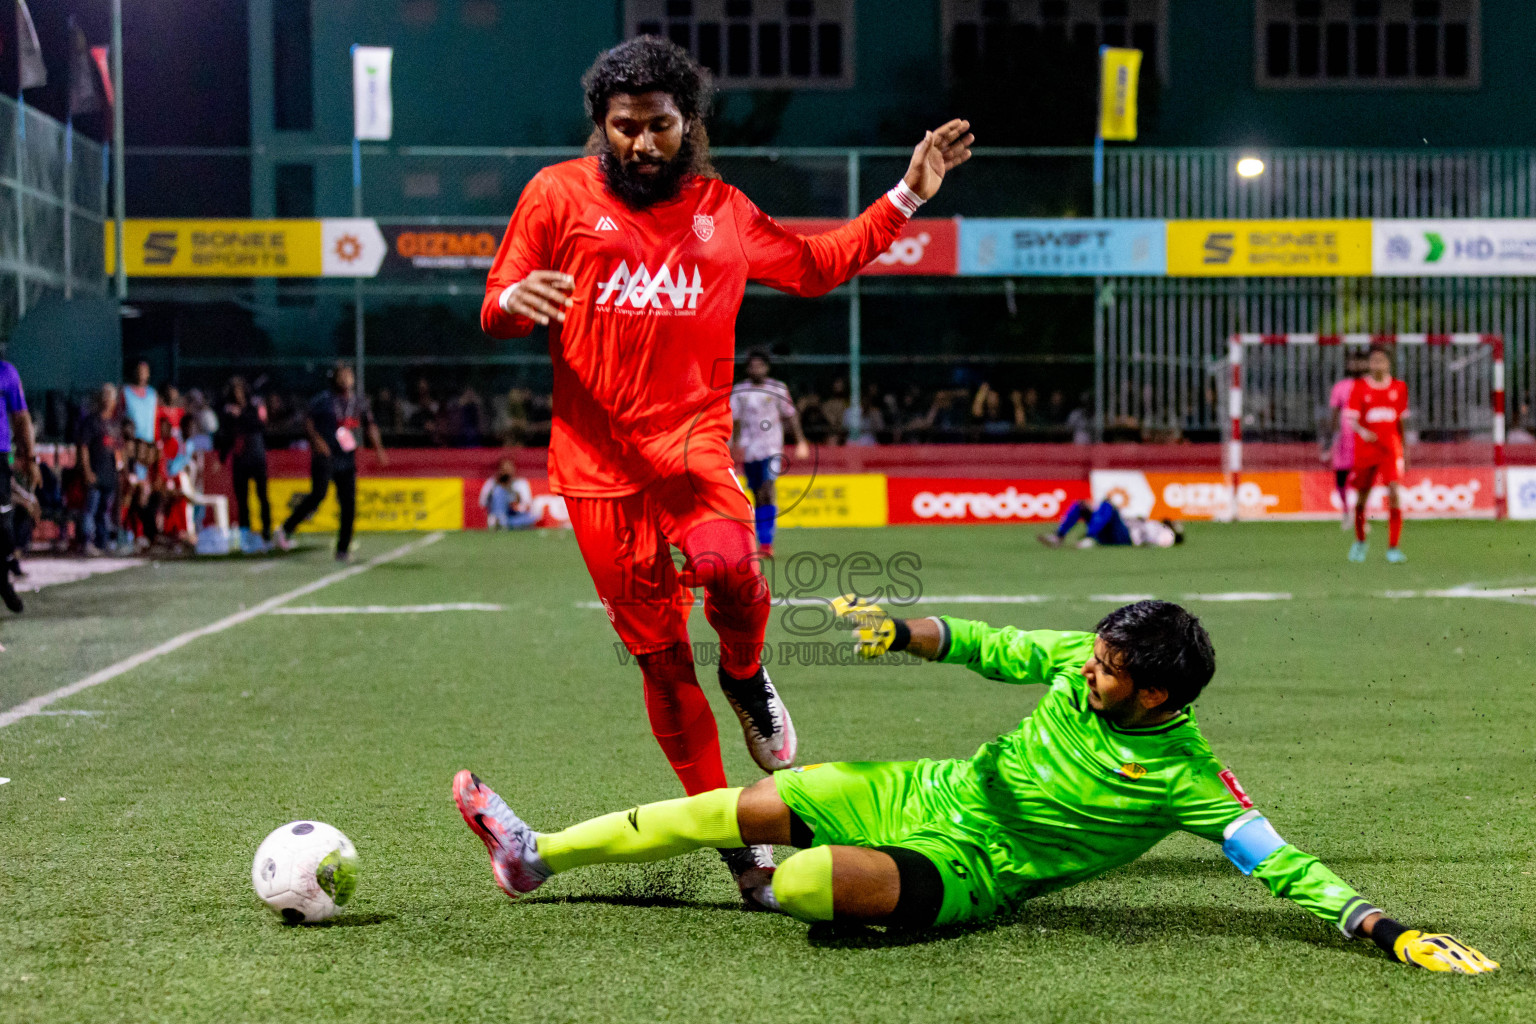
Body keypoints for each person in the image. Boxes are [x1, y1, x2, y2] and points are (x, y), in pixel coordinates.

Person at [479, 35, 973, 901]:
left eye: (660, 126)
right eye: (626, 127)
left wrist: (905, 196)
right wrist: (513, 303)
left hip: (694, 450)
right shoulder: (554, 195)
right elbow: (499, 304)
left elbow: (819, 267)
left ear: (688, 124)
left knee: (735, 573)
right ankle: (742, 846)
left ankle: (746, 674)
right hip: (596, 474)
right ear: (601, 126)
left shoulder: (724, 210)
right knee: (662, 661)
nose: (642, 143)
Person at [449, 597, 1496, 975]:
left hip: (974, 864)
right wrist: (905, 630)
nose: (1086, 670)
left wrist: (1383, 926)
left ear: (1158, 691)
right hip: (920, 790)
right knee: (743, 807)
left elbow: (1277, 861)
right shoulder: (1079, 665)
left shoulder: (1188, 779)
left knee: (807, 882)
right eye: (1089, 655)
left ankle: (791, 886)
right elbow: (990, 642)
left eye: (1107, 668)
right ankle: (535, 857)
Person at [273, 363, 388, 561]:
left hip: (346, 457)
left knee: (348, 503)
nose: (346, 379)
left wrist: (379, 450)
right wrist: (317, 441)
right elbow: (307, 421)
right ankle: (285, 529)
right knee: (318, 494)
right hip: (325, 456)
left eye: (349, 375)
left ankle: (343, 549)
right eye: (342, 375)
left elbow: (371, 426)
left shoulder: (358, 402)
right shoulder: (323, 400)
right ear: (334, 378)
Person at [730, 350, 810, 559]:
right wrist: (735, 444)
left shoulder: (778, 388)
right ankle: (761, 541)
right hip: (749, 448)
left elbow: (790, 416)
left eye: (760, 365)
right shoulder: (740, 390)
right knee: (757, 493)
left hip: (772, 448)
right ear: (748, 369)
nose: (756, 369)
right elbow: (735, 420)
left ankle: (767, 544)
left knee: (768, 488)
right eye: (753, 366)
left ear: (767, 367)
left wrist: (801, 441)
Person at [1347, 346, 1409, 564]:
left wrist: (1405, 450)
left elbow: (1401, 422)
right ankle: (1360, 541)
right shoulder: (1359, 387)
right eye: (1373, 361)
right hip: (1366, 450)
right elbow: (1352, 420)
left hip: (1390, 450)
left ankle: (1393, 547)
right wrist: (1365, 433)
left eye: (1381, 361)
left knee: (1394, 493)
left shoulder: (1399, 388)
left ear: (1388, 364)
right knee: (1362, 499)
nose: (1377, 365)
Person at [0, 357, 38, 612]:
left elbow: (21, 417)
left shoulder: (6, 372)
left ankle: (2, 579)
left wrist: (30, 457)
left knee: (3, 528)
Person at [218, 377, 272, 553]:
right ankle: (245, 536)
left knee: (262, 497)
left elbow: (260, 424)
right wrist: (222, 457)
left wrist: (241, 414)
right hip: (240, 459)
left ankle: (267, 534)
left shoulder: (254, 405)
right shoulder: (228, 411)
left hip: (257, 456)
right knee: (242, 500)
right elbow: (227, 435)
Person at [78, 384, 123, 556]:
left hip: (109, 475)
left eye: (110, 397)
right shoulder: (92, 421)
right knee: (91, 509)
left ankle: (103, 543)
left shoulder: (114, 423)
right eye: (105, 396)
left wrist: (120, 470)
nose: (108, 401)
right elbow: (83, 447)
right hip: (95, 472)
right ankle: (87, 541)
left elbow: (118, 449)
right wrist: (87, 470)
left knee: (105, 511)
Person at [1325, 354, 1367, 530]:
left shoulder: (1368, 386)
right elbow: (1334, 414)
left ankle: (1361, 516)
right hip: (1344, 439)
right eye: (1353, 361)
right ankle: (1345, 512)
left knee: (1364, 480)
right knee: (1341, 478)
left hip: (1363, 438)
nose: (1356, 364)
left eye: (1359, 360)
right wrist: (1330, 439)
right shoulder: (1340, 387)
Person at [1038, 499, 1182, 549]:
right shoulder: (1153, 522)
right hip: (1116, 532)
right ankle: (1058, 536)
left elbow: (1163, 541)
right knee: (1081, 505)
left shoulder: (1166, 532)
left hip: (1126, 537)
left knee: (1109, 506)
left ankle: (1090, 537)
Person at [479, 458, 539, 529]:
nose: (507, 472)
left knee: (531, 518)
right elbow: (482, 503)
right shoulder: (492, 483)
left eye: (509, 469)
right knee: (499, 491)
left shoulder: (520, 483)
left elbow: (527, 504)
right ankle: (500, 521)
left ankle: (506, 524)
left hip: (515, 514)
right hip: (498, 513)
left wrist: (515, 505)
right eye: (504, 469)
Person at [122, 360, 159, 446]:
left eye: (144, 371)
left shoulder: (152, 394)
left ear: (148, 374)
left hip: (149, 443)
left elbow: (156, 417)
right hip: (132, 442)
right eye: (139, 370)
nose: (141, 373)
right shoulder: (125, 392)